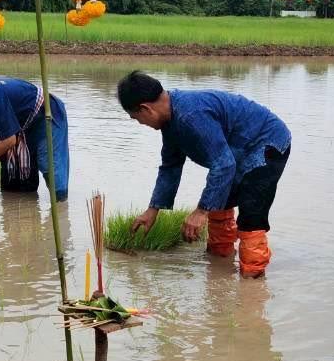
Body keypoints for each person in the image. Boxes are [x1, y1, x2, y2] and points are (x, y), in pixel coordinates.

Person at [117, 71, 291, 279]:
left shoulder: (190, 116)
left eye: (137, 118)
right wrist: (152, 210)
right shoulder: (170, 122)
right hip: (237, 149)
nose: (141, 123)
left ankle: (252, 281)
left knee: (251, 213)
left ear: (146, 108)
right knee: (219, 204)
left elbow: (224, 165)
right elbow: (170, 166)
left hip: (267, 142)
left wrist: (200, 212)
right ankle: (220, 265)